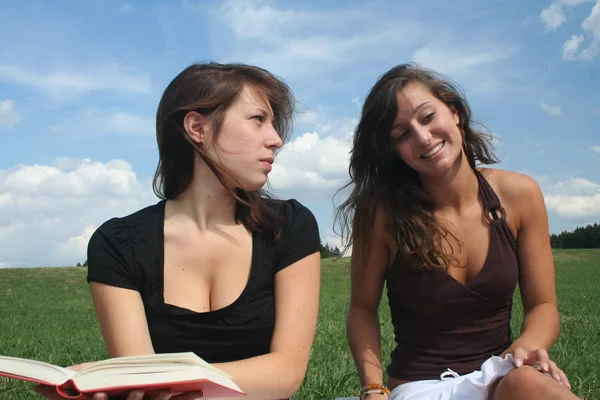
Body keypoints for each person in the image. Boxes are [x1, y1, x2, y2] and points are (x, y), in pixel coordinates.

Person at [36, 62, 321, 400]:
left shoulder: (289, 226)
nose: (276, 140)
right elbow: (143, 388)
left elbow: (285, 374)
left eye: (273, 124)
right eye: (258, 119)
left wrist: (163, 378)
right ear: (197, 127)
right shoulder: (118, 244)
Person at [336, 64, 580, 399]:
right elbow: (362, 308)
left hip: (499, 375)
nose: (423, 137)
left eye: (427, 117)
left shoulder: (520, 195)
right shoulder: (381, 213)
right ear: (394, 151)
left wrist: (523, 351)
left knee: (528, 383)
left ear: (455, 113)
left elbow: (543, 306)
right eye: (402, 135)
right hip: (420, 387)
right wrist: (374, 388)